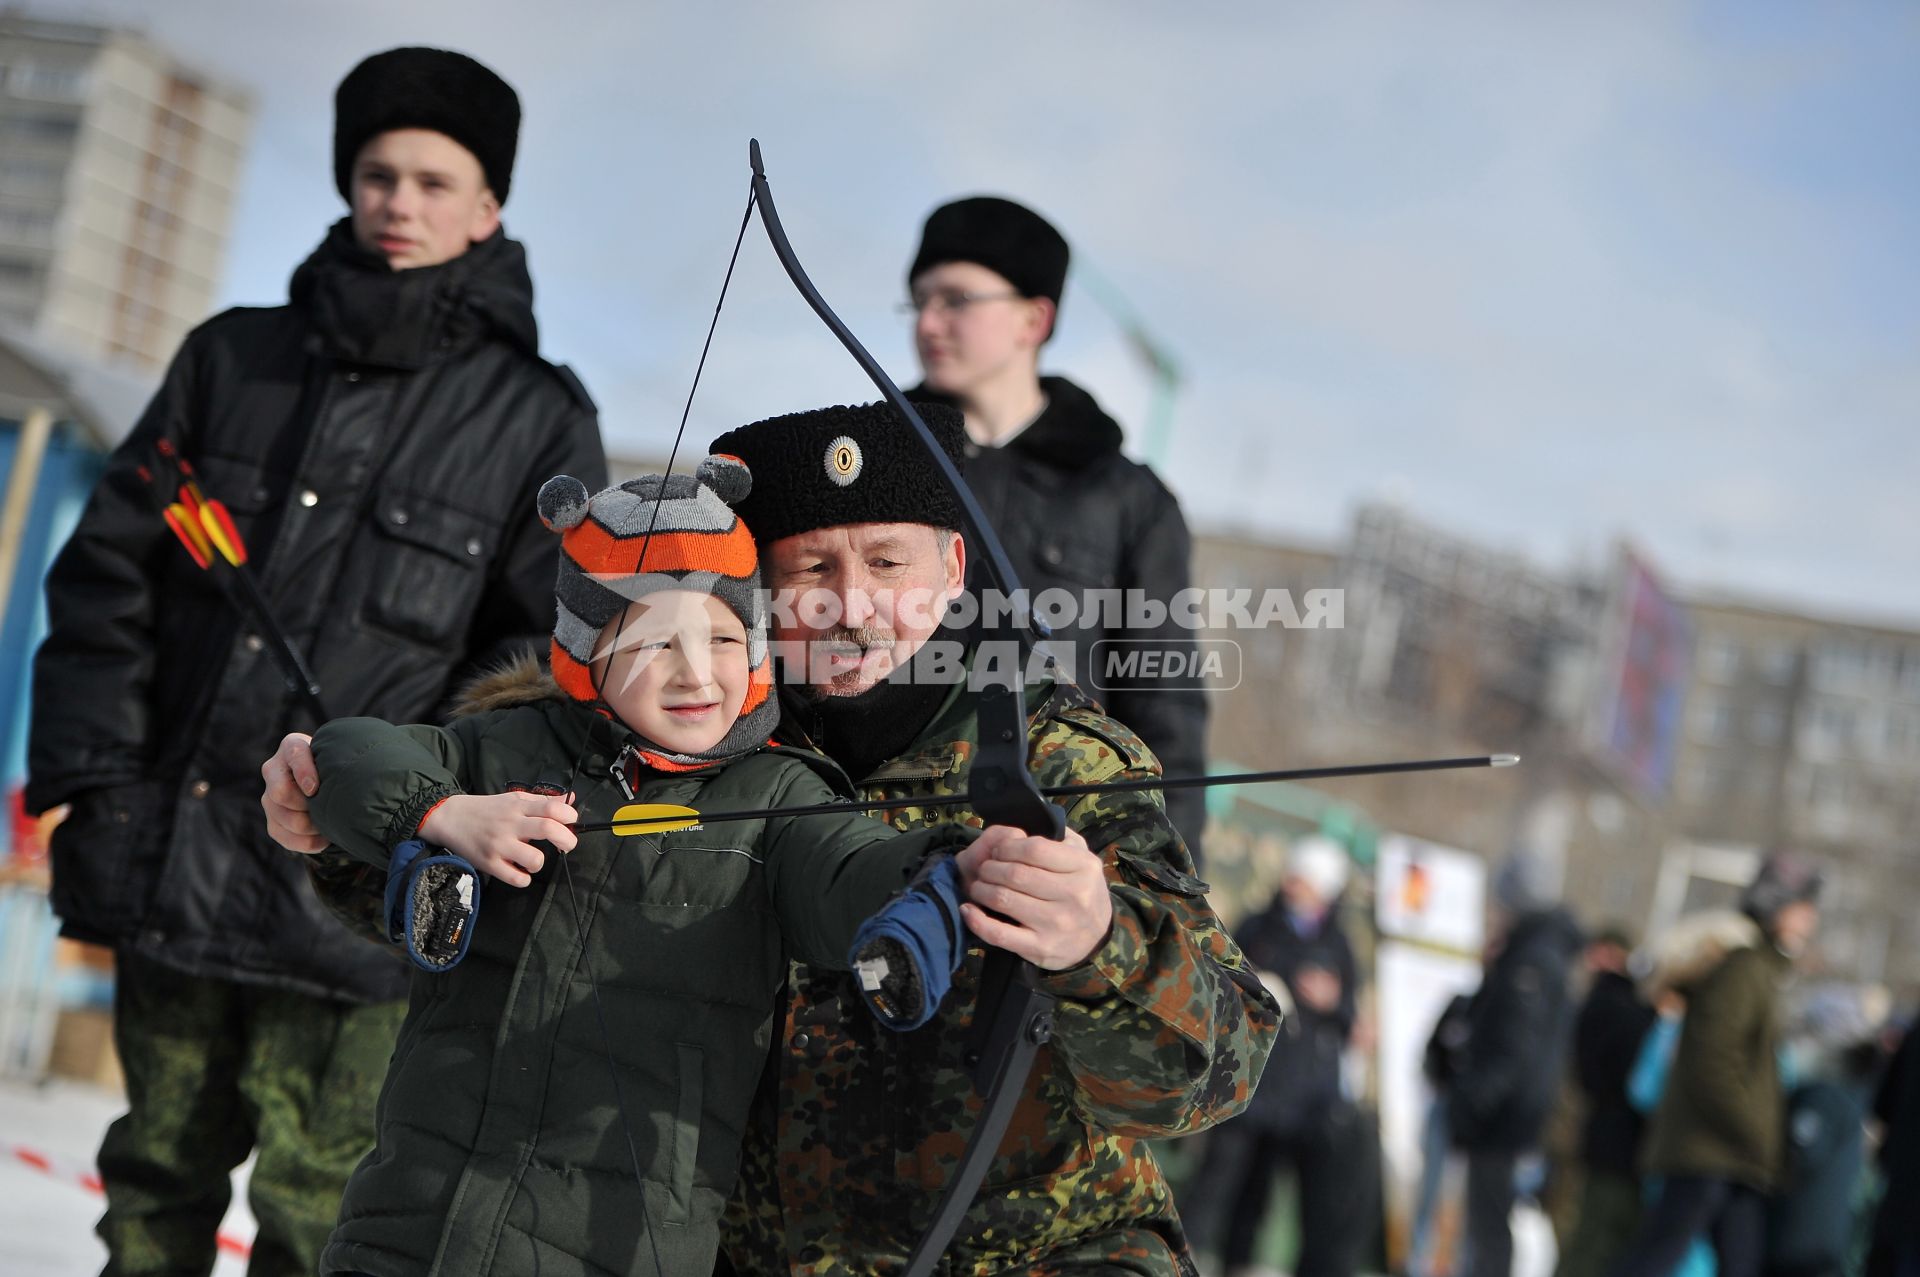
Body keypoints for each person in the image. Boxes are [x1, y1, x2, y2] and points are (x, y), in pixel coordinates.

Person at [264, 402, 1279, 1276]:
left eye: (888, 561)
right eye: (809, 569)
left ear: (952, 567)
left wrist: (1100, 943)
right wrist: (345, 828)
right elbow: (500, 908)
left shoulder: (1060, 763)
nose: (849, 602)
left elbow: (1215, 1065)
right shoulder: (672, 735)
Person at [26, 45, 605, 1276]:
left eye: (433, 182)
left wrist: (433, 811)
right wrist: (99, 784)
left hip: (364, 891)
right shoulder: (231, 357)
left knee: (319, 1207)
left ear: (487, 206)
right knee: (150, 1183)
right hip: (172, 852)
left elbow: (540, 661)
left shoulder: (538, 416)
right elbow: (105, 583)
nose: (399, 203)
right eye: (377, 175)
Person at [290, 462, 1006, 1276]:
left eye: (725, 638)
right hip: (408, 1225)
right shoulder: (506, 749)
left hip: (618, 1243)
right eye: (655, 639)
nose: (697, 672)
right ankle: (429, 875)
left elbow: (848, 867)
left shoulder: (776, 796)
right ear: (584, 648)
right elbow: (344, 747)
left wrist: (936, 877)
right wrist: (446, 815)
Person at [903, 196, 1211, 863]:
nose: (928, 322)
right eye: (918, 300)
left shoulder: (1129, 500)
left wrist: (1157, 904)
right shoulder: (875, 463)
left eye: (956, 299)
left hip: (1047, 859)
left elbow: (1166, 718)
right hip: (875, 845)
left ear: (1033, 318)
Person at [1611, 853, 1824, 1277]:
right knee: (1659, 1256)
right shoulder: (1744, 969)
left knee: (1734, 1261)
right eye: (1805, 907)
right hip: (1710, 1150)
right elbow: (1714, 1062)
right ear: (1780, 908)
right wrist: (1759, 1134)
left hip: (1729, 1155)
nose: (1812, 919)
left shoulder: (1760, 968)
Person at [1187, 835, 1364, 1277]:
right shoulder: (1259, 926)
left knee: (1259, 1197)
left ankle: (1238, 1266)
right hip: (1248, 1080)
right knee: (1216, 1183)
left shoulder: (1338, 944)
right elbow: (1228, 983)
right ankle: (1181, 1259)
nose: (1292, 884)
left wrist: (1331, 1000)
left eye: (1303, 878)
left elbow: (1351, 1017)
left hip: (1299, 1097)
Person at [1448, 851, 1584, 1277]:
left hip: (1504, 1119)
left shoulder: (1533, 960)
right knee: (1490, 1228)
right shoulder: (1544, 955)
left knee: (1490, 1229)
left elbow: (1511, 1049)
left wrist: (1470, 1104)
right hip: (1517, 1114)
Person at [1556, 927, 1658, 1277]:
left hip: (1608, 1145)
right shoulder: (1622, 1010)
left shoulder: (1609, 1005)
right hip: (1619, 1150)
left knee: (1589, 1238)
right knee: (1595, 1242)